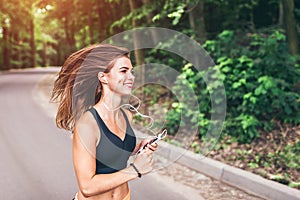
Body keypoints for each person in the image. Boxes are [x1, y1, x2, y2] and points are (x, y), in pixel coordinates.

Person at [51, 44, 157, 200]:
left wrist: (138, 146)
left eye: (131, 72)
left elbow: (111, 151)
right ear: (103, 77)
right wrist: (135, 170)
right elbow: (87, 187)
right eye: (123, 71)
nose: (131, 77)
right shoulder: (87, 125)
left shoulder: (126, 115)